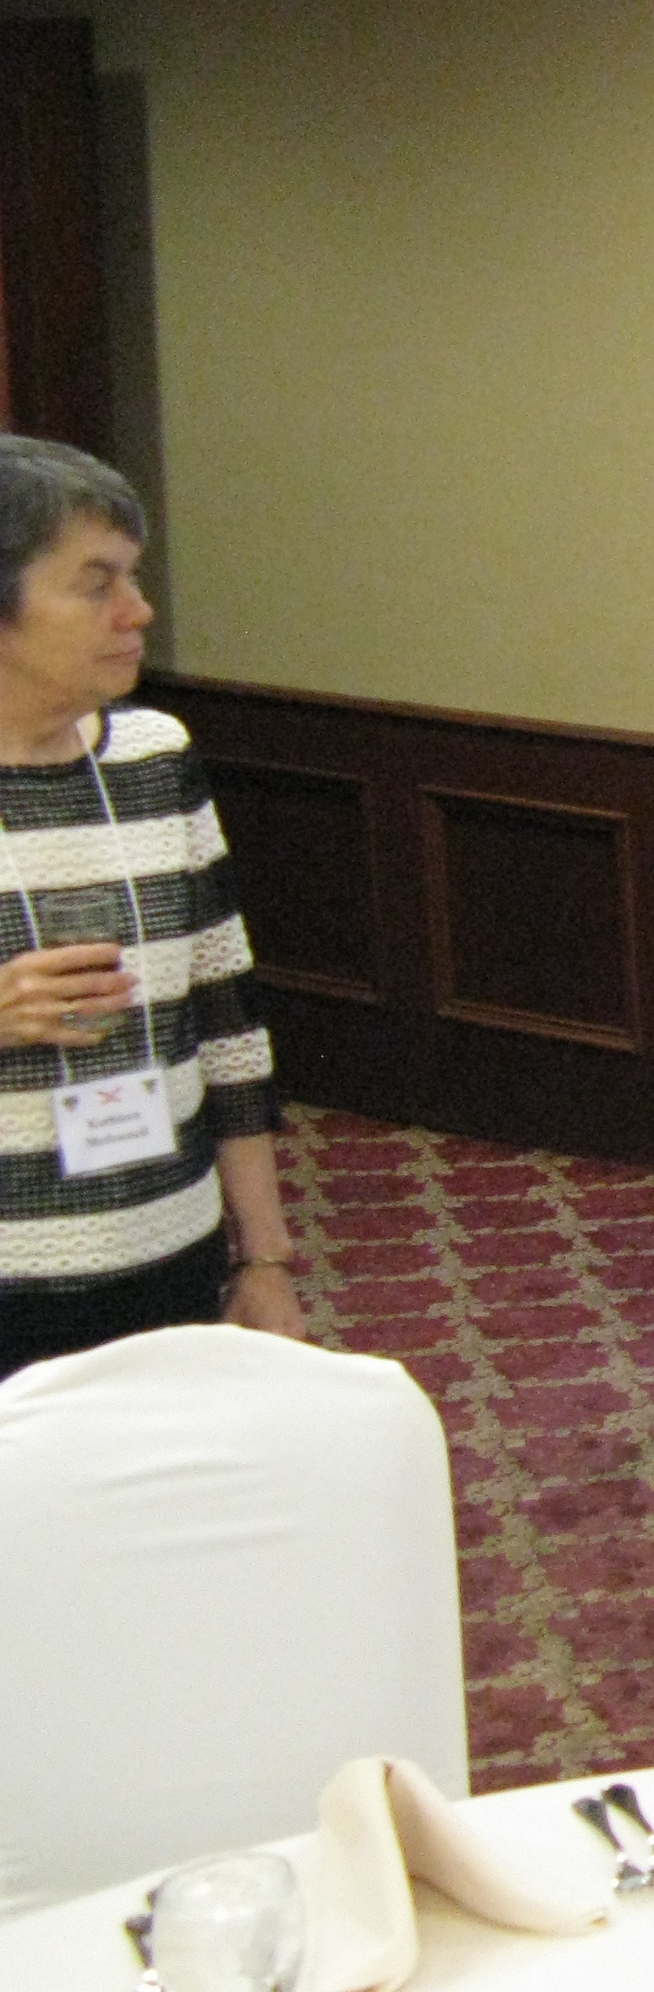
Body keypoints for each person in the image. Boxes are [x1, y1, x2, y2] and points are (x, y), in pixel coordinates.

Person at [0, 437, 303, 1383]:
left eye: (132, 577)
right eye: (97, 584)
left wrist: (264, 1258)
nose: (139, 610)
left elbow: (226, 1026)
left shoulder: (153, 757)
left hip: (169, 1253)